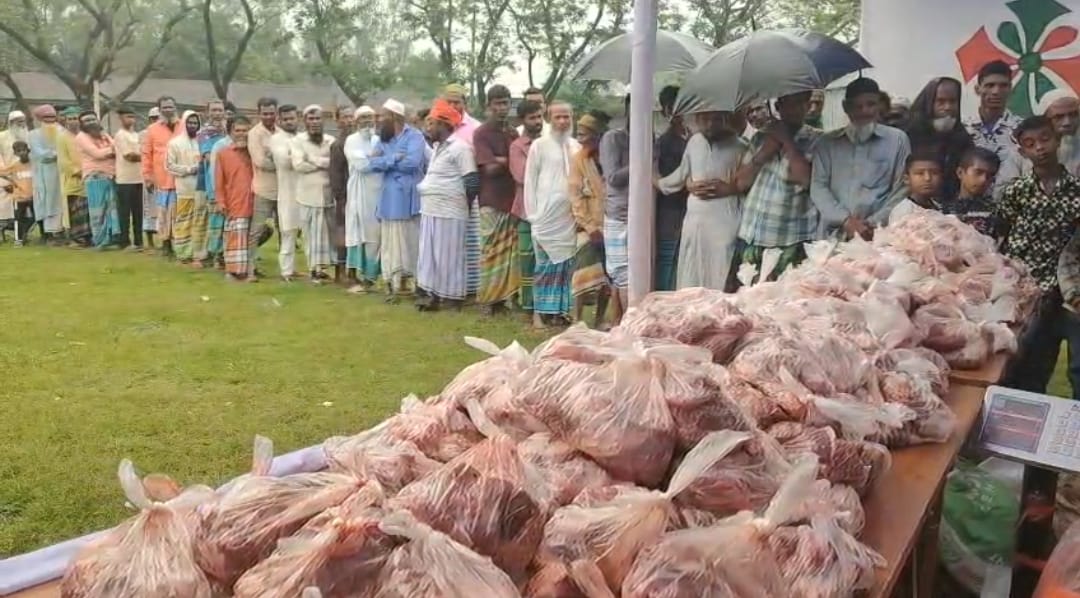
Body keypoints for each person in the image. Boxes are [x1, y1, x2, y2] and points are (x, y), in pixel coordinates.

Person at [996, 115, 1080, 398]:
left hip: (1066, 292)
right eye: (1030, 144)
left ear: (1057, 139)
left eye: (1045, 139)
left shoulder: (1077, 193)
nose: (1040, 148)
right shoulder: (1017, 191)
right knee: (1025, 363)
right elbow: (1003, 231)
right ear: (1022, 152)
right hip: (1026, 292)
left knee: (1075, 365)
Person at [735, 91, 821, 285]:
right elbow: (741, 182)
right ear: (778, 107)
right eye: (786, 104)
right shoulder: (760, 138)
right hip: (752, 234)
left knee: (780, 305)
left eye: (798, 104)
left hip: (788, 239)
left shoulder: (818, 141)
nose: (792, 110)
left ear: (807, 106)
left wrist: (787, 142)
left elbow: (805, 180)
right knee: (747, 301)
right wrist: (767, 149)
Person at [810, 77, 911, 240]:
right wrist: (846, 221)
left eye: (870, 104)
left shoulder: (898, 140)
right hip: (833, 236)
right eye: (857, 106)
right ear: (845, 107)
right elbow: (818, 188)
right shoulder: (826, 144)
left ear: (879, 105)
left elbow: (902, 189)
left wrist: (874, 223)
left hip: (880, 234)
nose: (864, 111)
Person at [658, 110, 749, 290]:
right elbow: (682, 175)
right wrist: (657, 180)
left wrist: (731, 187)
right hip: (695, 221)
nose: (709, 124)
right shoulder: (694, 142)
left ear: (724, 118)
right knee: (691, 275)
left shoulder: (741, 146)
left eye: (715, 118)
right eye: (704, 119)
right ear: (696, 119)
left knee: (721, 273)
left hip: (725, 221)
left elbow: (748, 183)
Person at [414, 99, 480, 311]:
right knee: (431, 256)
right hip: (430, 209)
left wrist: (464, 206)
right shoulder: (437, 148)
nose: (428, 127)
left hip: (451, 211)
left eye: (432, 123)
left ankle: (453, 299)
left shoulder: (460, 148)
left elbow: (471, 181)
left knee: (449, 256)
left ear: (443, 124)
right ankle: (433, 296)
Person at [524, 101, 580, 326]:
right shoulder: (539, 145)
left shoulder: (576, 147)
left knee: (565, 266)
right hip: (544, 216)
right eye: (558, 117)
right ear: (549, 119)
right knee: (544, 266)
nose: (563, 121)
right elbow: (530, 180)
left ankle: (559, 313)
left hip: (568, 217)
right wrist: (533, 215)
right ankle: (539, 315)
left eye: (566, 117)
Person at [368, 99, 426, 300]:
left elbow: (412, 163)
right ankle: (392, 282)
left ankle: (412, 283)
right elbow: (372, 164)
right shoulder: (382, 139)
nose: (379, 119)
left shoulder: (415, 137)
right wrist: (394, 158)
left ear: (394, 117)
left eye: (383, 116)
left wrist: (388, 162)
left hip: (409, 199)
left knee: (411, 241)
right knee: (391, 243)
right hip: (389, 199)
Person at [472, 84, 520, 314]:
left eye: (506, 103)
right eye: (498, 103)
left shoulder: (513, 133)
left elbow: (519, 164)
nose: (502, 108)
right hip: (490, 200)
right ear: (488, 106)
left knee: (509, 254)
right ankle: (488, 301)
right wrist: (508, 159)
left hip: (512, 199)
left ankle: (503, 300)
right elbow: (488, 168)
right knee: (490, 251)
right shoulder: (481, 133)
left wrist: (501, 159)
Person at [568, 112, 611, 328]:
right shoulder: (578, 160)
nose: (580, 139)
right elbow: (575, 196)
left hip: (611, 224)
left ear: (598, 135)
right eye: (579, 134)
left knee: (607, 277)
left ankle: (599, 320)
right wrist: (590, 227)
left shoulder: (611, 156)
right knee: (582, 274)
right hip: (587, 227)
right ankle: (576, 321)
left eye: (585, 134)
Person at [996, 91, 1080, 197]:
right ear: (1044, 119)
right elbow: (1000, 193)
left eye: (1073, 115)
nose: (1067, 122)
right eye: (1059, 117)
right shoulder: (1022, 152)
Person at [905, 78, 973, 198]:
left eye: (952, 101)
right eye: (941, 101)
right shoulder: (910, 134)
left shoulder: (962, 138)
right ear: (929, 103)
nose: (947, 107)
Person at [291, 105, 336, 283]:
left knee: (326, 234)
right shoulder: (297, 141)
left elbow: (334, 163)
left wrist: (312, 159)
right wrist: (322, 163)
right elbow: (299, 165)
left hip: (327, 194)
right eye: (311, 119)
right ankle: (313, 269)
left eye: (318, 118)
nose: (315, 122)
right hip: (307, 195)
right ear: (305, 121)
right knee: (311, 234)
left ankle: (323, 269)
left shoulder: (331, 141)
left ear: (323, 120)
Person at [509, 99, 543, 327]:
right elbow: (522, 177)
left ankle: (549, 308)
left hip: (551, 211)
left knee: (549, 260)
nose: (538, 122)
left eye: (540, 116)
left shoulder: (552, 142)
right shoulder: (518, 146)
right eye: (532, 118)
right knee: (528, 260)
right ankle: (529, 306)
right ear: (523, 121)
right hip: (526, 210)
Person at [597, 94, 631, 321]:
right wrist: (640, 159)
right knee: (622, 274)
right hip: (619, 215)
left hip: (645, 215)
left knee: (634, 275)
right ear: (628, 110)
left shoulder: (651, 138)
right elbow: (613, 177)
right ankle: (628, 326)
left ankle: (620, 324)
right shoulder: (613, 138)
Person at [343, 106, 383, 293]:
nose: (368, 121)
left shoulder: (379, 140)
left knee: (375, 235)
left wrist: (372, 158)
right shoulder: (351, 140)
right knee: (357, 232)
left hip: (377, 193)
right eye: (363, 118)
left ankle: (371, 278)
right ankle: (355, 275)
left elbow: (383, 161)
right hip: (359, 194)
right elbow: (361, 166)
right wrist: (376, 159)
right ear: (356, 121)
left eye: (370, 117)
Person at [654, 85, 688, 291]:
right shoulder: (664, 142)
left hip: (689, 208)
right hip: (670, 210)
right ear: (667, 110)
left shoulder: (692, 137)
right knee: (667, 258)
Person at [216, 116, 257, 282]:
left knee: (251, 236)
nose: (241, 134)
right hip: (234, 202)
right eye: (237, 131)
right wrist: (220, 201)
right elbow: (219, 181)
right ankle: (234, 272)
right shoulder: (223, 153)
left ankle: (248, 270)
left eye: (245, 130)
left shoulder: (254, 152)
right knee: (235, 237)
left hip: (254, 201)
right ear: (231, 132)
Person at [142, 96, 183, 257]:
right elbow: (146, 154)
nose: (168, 110)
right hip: (162, 179)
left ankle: (181, 244)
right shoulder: (152, 130)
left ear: (175, 107)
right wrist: (147, 176)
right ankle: (166, 244)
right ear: (159, 110)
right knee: (164, 213)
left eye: (170, 107)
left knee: (179, 213)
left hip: (182, 177)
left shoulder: (184, 126)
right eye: (164, 107)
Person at [74, 111, 120, 248]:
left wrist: (112, 150)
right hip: (95, 176)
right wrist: (112, 151)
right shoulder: (81, 137)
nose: (90, 123)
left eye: (92, 119)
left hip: (110, 175)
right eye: (86, 121)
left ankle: (112, 238)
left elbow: (116, 148)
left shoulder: (104, 135)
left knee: (111, 209)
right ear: (82, 124)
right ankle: (100, 240)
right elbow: (97, 154)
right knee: (98, 210)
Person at [966, 60, 1023, 164]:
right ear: (977, 89)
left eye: (1003, 86)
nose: (996, 91)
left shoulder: (1022, 129)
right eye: (990, 85)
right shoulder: (963, 128)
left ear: (1011, 89)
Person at [193, 99, 228, 267]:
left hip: (232, 181)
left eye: (220, 110)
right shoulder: (204, 134)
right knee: (215, 220)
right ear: (207, 112)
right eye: (213, 110)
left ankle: (225, 253)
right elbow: (209, 158)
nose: (217, 113)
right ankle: (214, 255)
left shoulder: (229, 130)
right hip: (213, 180)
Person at [166, 110, 202, 263]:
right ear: (184, 123)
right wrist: (189, 170)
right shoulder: (175, 143)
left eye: (195, 123)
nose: (192, 126)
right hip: (184, 188)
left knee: (199, 222)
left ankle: (197, 253)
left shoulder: (201, 141)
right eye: (190, 123)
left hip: (200, 189)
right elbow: (169, 166)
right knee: (183, 222)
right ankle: (182, 253)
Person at [939, 147, 1000, 238]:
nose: (984, 180)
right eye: (978, 172)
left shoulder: (997, 211)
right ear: (960, 173)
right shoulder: (940, 209)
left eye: (990, 175)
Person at [270, 104, 301, 281]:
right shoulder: (276, 139)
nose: (289, 122)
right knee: (288, 232)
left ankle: (314, 270)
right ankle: (286, 271)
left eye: (292, 118)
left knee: (308, 232)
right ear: (279, 121)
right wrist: (304, 157)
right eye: (285, 119)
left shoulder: (303, 137)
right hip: (288, 191)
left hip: (305, 190)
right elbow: (285, 161)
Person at [248, 97, 280, 268]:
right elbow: (260, 161)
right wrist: (282, 163)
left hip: (283, 190)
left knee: (285, 230)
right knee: (256, 230)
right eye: (265, 113)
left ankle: (287, 269)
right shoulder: (254, 134)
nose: (269, 116)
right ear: (259, 113)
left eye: (272, 113)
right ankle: (249, 267)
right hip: (263, 189)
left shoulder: (281, 132)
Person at [27, 105, 64, 243]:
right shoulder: (33, 135)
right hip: (42, 174)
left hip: (61, 173)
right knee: (44, 201)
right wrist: (57, 154)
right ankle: (46, 234)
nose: (50, 120)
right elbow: (40, 154)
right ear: (39, 119)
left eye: (52, 117)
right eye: (46, 118)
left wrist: (59, 156)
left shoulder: (63, 132)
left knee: (61, 202)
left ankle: (61, 231)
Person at [329, 106, 355, 283]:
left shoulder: (359, 141)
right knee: (342, 233)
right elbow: (336, 174)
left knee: (355, 235)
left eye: (351, 116)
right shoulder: (338, 145)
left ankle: (353, 271)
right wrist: (341, 198)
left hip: (359, 195)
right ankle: (340, 272)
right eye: (345, 117)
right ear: (338, 121)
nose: (349, 120)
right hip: (344, 196)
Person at [58, 106, 90, 246]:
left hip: (89, 176)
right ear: (65, 120)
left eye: (75, 118)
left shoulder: (85, 136)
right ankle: (76, 237)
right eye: (70, 119)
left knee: (87, 209)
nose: (73, 121)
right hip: (73, 179)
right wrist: (77, 171)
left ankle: (88, 236)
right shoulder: (62, 137)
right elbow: (63, 160)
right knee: (74, 208)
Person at [113, 106, 143, 250]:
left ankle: (138, 241)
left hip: (138, 178)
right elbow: (129, 156)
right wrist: (147, 158)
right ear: (121, 119)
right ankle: (124, 241)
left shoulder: (136, 135)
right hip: (125, 179)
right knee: (124, 212)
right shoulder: (120, 135)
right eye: (127, 117)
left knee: (138, 212)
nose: (130, 120)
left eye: (132, 117)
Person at [887, 151, 944, 224]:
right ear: (906, 179)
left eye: (934, 173)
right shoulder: (903, 212)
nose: (927, 178)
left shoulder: (939, 207)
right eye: (920, 173)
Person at [0, 141, 34, 245]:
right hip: (19, 197)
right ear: (15, 153)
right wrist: (11, 181)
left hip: (34, 196)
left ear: (28, 150)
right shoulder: (15, 166)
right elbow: (2, 172)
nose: (22, 153)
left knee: (35, 218)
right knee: (18, 219)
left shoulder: (34, 163)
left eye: (24, 150)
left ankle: (24, 233)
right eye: (19, 151)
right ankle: (18, 240)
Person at [140, 107, 161, 247]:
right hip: (150, 175)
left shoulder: (165, 132)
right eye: (153, 118)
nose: (156, 121)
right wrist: (148, 177)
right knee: (149, 208)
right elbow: (144, 156)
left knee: (164, 209)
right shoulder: (144, 134)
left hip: (164, 175)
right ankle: (150, 242)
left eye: (158, 118)